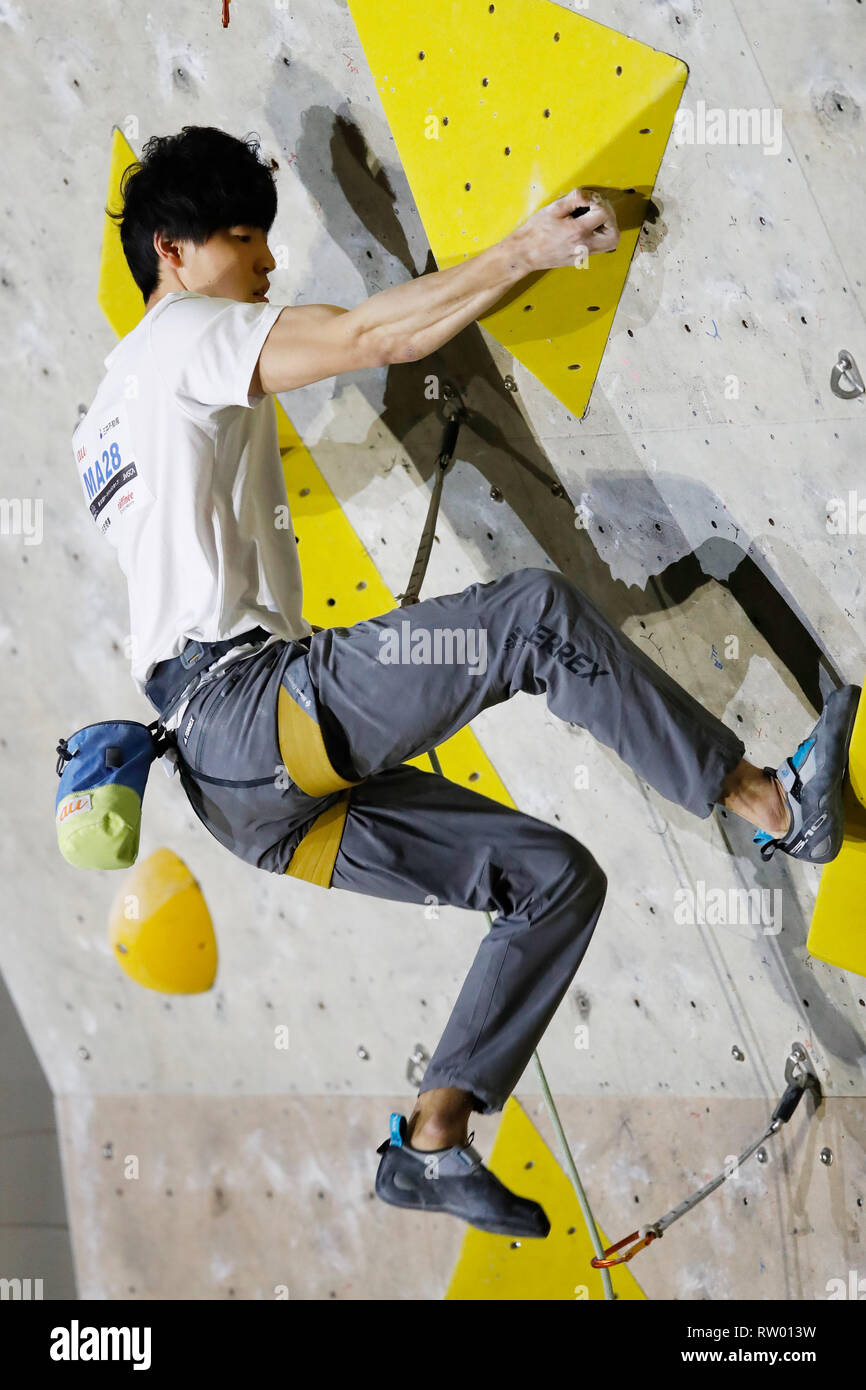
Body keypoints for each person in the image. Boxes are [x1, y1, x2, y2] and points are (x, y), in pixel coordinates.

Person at [74, 126, 859, 1240]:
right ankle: (770, 807)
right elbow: (360, 334)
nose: (262, 267)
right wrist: (524, 250)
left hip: (237, 799)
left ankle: (431, 1140)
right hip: (250, 713)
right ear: (173, 252)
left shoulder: (103, 414)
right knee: (532, 615)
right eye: (244, 240)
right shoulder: (187, 336)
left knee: (552, 882)